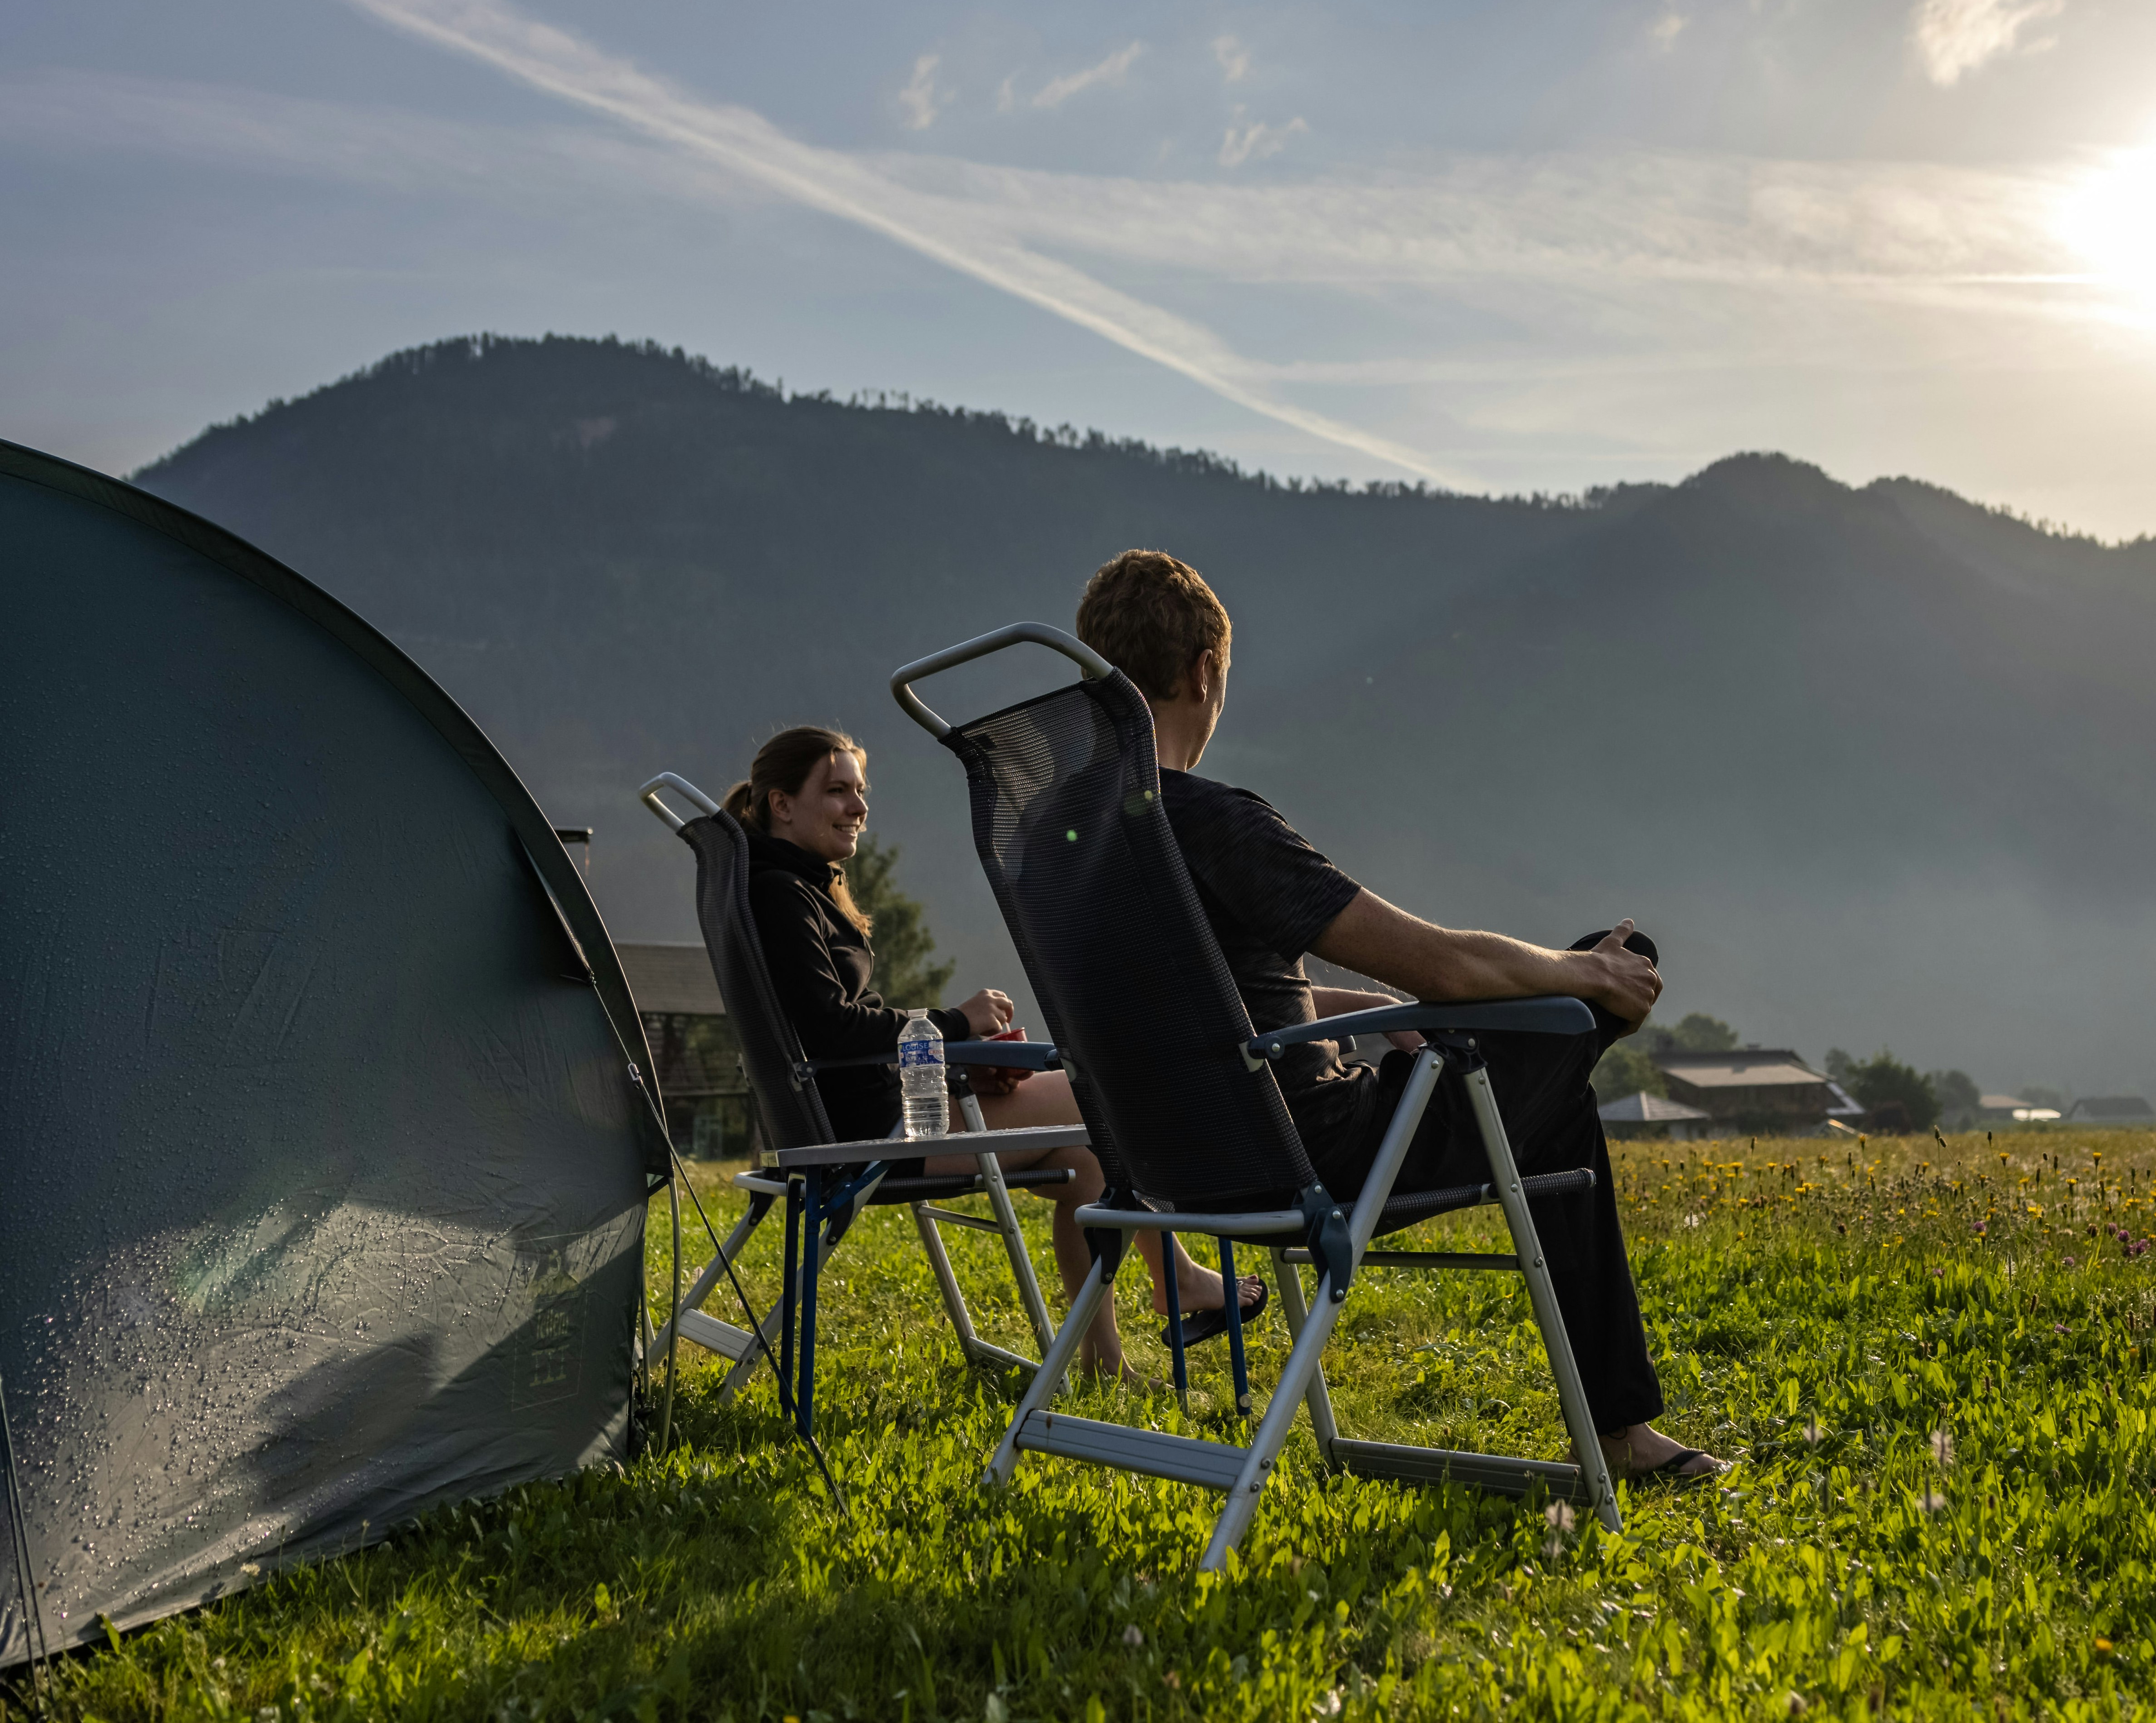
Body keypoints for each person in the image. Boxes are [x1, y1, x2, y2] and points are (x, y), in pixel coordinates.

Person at [1071, 551, 1727, 1483]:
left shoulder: (1066, 842)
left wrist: (1367, 1010)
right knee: (1607, 977)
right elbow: (1442, 963)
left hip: (1160, 1171)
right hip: (1320, 1156)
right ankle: (1619, 1433)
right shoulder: (1213, 823)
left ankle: (1620, 1429)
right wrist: (1584, 970)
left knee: (1551, 1112)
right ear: (1204, 673)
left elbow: (1202, 1005)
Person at [727, 725, 1258, 1379]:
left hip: (869, 1114)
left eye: (860, 791)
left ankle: (1106, 1359)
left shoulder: (785, 885)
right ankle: (1180, 1281)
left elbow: (838, 1031)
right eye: (837, 791)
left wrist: (959, 1059)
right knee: (1104, 1094)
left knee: (1085, 1163)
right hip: (875, 1132)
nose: (859, 808)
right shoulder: (784, 895)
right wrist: (956, 1024)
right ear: (782, 804)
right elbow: (833, 1031)